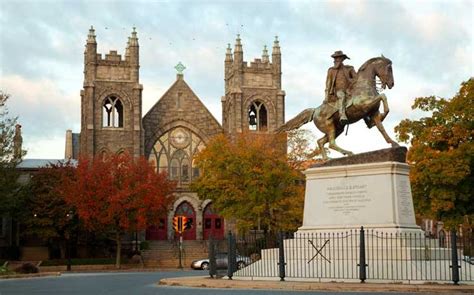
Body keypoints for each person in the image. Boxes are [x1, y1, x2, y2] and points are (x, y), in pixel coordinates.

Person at [324, 50, 357, 124]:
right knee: (342, 96)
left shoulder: (350, 68)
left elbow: (357, 78)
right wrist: (326, 97)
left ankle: (367, 118)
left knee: (361, 99)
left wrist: (352, 82)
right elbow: (328, 84)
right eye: (335, 58)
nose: (336, 60)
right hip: (338, 91)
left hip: (350, 90)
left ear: (342, 59)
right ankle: (342, 115)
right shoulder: (331, 70)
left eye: (338, 58)